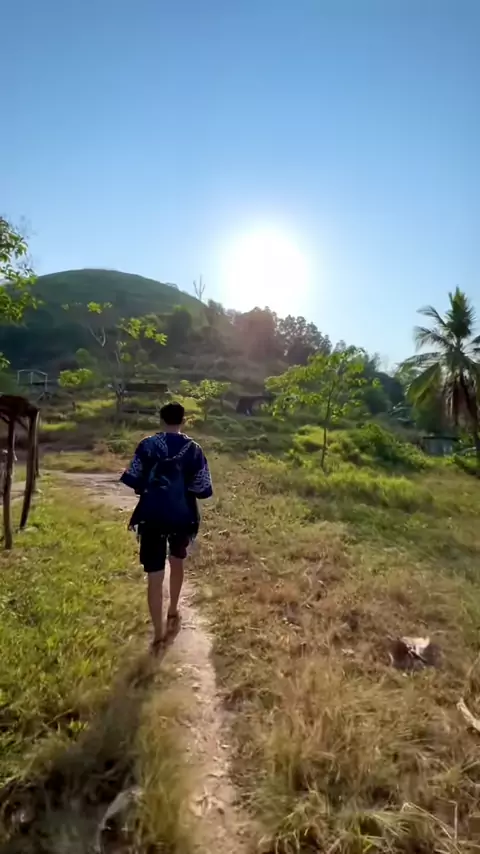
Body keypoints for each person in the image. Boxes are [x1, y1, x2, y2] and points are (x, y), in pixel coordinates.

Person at [120, 402, 213, 650]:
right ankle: (173, 608)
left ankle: (158, 633)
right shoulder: (194, 449)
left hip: (151, 516)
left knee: (154, 574)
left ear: (161, 420)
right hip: (182, 516)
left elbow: (133, 478)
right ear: (184, 420)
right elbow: (203, 488)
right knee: (177, 560)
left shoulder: (147, 445)